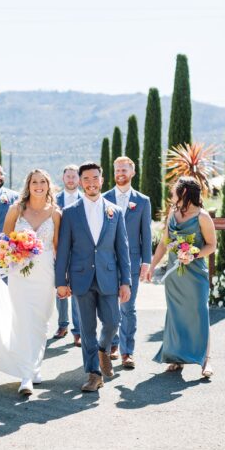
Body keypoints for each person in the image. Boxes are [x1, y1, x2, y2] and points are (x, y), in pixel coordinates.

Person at [0, 169, 61, 396]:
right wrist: (14, 255)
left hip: (46, 272)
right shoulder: (15, 210)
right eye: (34, 182)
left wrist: (62, 278)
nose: (38, 185)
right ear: (27, 186)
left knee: (41, 321)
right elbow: (5, 243)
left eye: (42, 182)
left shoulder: (56, 213)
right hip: (20, 273)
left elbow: (57, 246)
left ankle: (34, 365)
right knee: (22, 319)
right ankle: (26, 375)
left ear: (48, 186)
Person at [55, 162, 131, 392]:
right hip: (81, 279)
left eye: (94, 178)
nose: (90, 183)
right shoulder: (69, 213)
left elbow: (123, 248)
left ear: (102, 179)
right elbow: (64, 250)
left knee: (113, 321)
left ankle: (103, 349)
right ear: (80, 181)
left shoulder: (115, 211)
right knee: (86, 329)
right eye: (86, 179)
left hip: (108, 277)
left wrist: (126, 281)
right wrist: (61, 281)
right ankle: (93, 374)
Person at [147, 176, 216, 377]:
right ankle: (176, 357)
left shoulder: (202, 217)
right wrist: (152, 266)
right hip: (174, 276)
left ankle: (205, 360)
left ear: (184, 193)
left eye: (174, 191)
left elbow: (212, 245)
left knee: (199, 314)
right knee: (176, 315)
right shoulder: (173, 213)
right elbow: (163, 243)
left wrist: (193, 254)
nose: (171, 195)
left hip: (195, 275)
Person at [104, 156, 152, 368]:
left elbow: (146, 234)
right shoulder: (103, 199)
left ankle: (127, 352)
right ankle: (112, 345)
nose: (120, 173)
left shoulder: (142, 201)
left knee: (128, 307)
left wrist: (146, 261)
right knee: (109, 306)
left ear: (132, 173)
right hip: (107, 260)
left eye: (124, 169)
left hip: (132, 261)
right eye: (117, 170)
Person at [54, 164, 82, 346]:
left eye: (74, 176)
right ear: (63, 179)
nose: (71, 179)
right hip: (59, 249)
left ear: (78, 179)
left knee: (78, 290)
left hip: (80, 250)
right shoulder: (54, 200)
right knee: (60, 287)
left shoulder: (86, 198)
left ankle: (78, 330)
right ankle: (62, 324)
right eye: (68, 176)